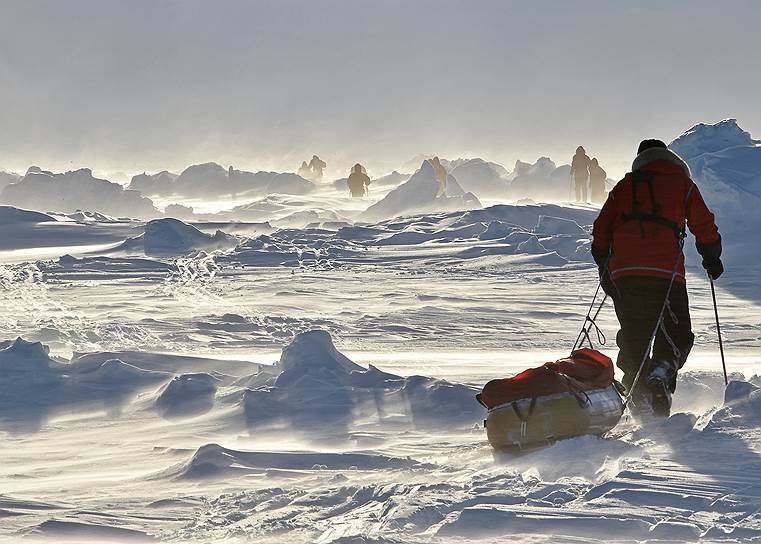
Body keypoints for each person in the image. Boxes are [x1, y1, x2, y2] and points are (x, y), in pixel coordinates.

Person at [591, 139, 723, 417]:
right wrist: (711, 257)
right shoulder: (682, 184)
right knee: (676, 331)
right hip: (667, 273)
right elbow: (703, 223)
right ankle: (661, 372)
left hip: (625, 274)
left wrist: (605, 266)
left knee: (634, 332)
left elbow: (601, 229)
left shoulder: (624, 187)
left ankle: (636, 387)